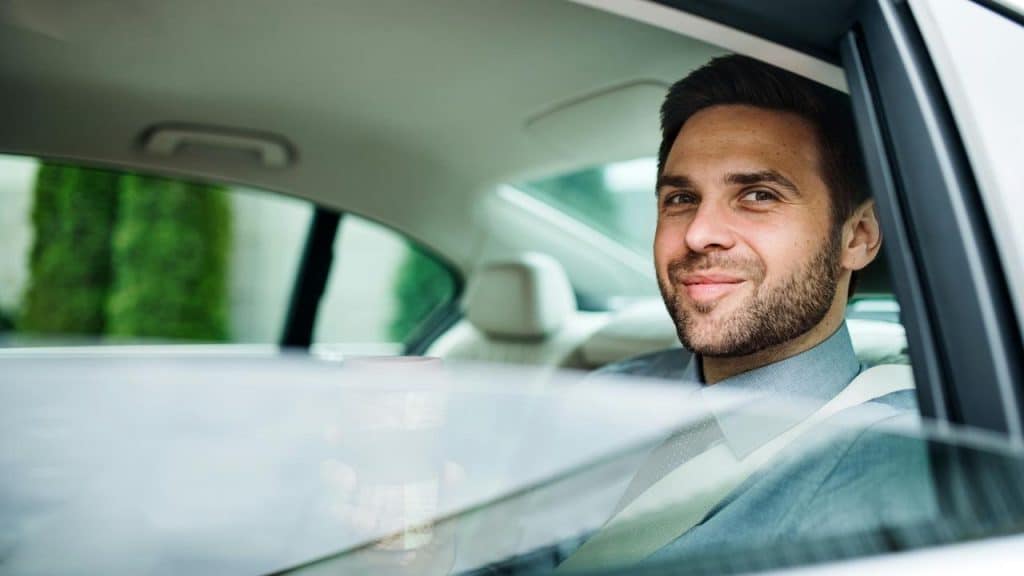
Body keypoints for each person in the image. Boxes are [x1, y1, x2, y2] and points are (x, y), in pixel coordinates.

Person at [557, 54, 933, 572]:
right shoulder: (607, 393)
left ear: (858, 236)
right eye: (681, 198)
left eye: (758, 195)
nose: (697, 233)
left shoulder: (908, 461)